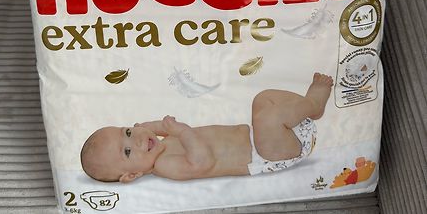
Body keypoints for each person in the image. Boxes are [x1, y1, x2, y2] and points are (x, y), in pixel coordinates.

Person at [81, 73, 333, 182]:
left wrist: (151, 127)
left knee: (262, 99)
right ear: (132, 175)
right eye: (127, 151)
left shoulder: (159, 145)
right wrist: (181, 131)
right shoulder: (164, 166)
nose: (136, 140)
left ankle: (310, 109)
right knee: (267, 119)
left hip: (272, 136)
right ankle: (312, 103)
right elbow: (203, 162)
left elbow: (150, 130)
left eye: (127, 132)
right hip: (269, 155)